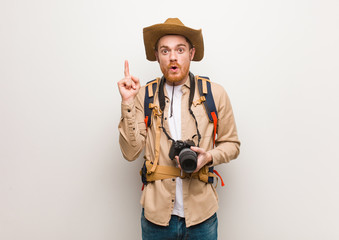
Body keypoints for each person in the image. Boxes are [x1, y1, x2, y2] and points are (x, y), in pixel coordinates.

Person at [118, 18, 240, 240]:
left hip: (202, 215)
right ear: (157, 55)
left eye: (180, 50)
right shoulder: (143, 95)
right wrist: (128, 102)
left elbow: (232, 145)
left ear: (191, 53)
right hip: (156, 217)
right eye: (165, 51)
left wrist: (209, 157)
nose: (172, 57)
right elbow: (130, 153)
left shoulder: (215, 93)